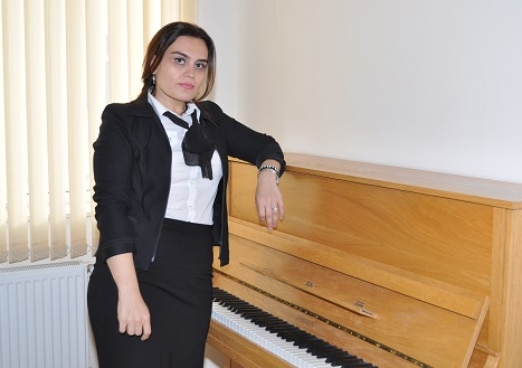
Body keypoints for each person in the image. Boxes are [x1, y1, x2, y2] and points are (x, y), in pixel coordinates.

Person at [87, 21, 285, 368]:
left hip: (192, 277)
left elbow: (266, 146)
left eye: (200, 64)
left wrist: (267, 177)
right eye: (179, 60)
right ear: (154, 64)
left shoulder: (211, 120)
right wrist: (129, 294)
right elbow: (111, 208)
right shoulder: (123, 119)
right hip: (135, 271)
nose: (190, 73)